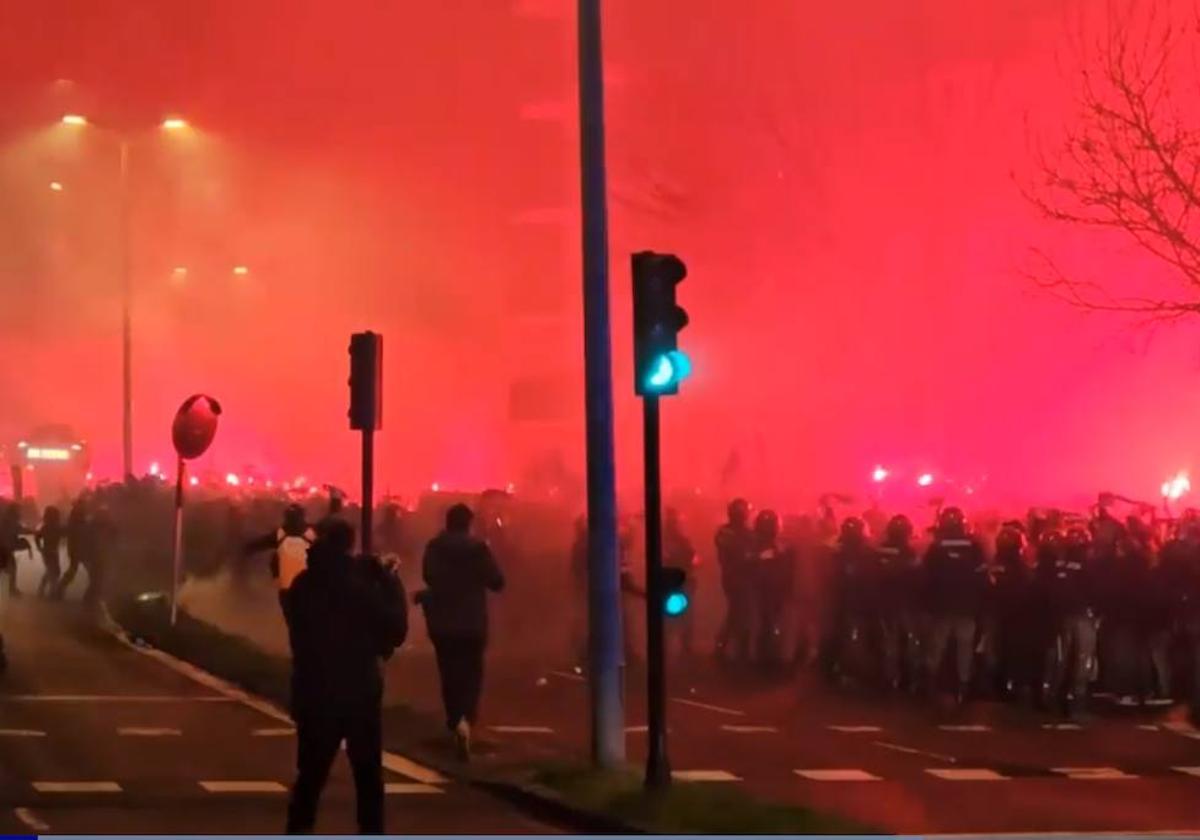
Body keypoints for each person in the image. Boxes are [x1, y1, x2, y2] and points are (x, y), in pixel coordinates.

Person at [284, 519, 408, 835]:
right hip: (360, 694)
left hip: (314, 692)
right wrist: (389, 581)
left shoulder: (303, 586)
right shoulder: (361, 587)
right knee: (368, 782)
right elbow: (395, 629)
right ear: (349, 544)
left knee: (309, 782)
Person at [418, 503, 504, 761]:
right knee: (472, 672)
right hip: (473, 623)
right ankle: (467, 718)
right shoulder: (479, 549)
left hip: (443, 623)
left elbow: (428, 576)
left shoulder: (434, 548)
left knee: (449, 673)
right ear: (469, 523)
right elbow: (497, 582)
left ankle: (455, 719)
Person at [922, 507, 987, 704]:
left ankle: (930, 684)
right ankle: (963, 685)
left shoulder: (936, 547)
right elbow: (982, 577)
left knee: (937, 647)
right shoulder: (974, 546)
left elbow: (927, 578)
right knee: (964, 649)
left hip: (942, 607)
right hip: (966, 608)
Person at [1042, 525, 1099, 718]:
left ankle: (1054, 698)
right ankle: (1076, 700)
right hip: (1083, 617)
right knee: (1083, 659)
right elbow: (1097, 590)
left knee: (1061, 659)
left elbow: (1051, 591)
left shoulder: (1059, 563)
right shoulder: (1090, 563)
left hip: (1062, 618)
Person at [245, 504, 316, 617]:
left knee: (294, 616)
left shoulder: (280, 534)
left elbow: (256, 546)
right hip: (306, 584)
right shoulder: (312, 533)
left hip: (289, 584)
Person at [877, 514, 921, 691]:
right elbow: (919, 580)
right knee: (911, 641)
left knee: (890, 642)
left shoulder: (879, 550)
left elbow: (873, 576)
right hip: (907, 605)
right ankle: (911, 678)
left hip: (886, 605)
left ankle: (890, 678)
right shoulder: (910, 553)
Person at [750, 509, 794, 673]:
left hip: (770, 592)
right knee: (768, 625)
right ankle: (766, 661)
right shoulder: (767, 547)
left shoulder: (769, 545)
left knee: (768, 625)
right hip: (767, 592)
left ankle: (766, 658)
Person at [714, 499, 754, 665]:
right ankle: (731, 648)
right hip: (735, 578)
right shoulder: (727, 533)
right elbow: (740, 554)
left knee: (738, 613)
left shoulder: (730, 532)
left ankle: (728, 647)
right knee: (738, 613)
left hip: (739, 578)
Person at [663, 507, 699, 660]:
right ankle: (682, 647)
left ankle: (684, 647)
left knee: (683, 616)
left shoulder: (680, 540)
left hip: (682, 580)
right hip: (676, 581)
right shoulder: (670, 541)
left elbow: (693, 558)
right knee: (679, 615)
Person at [36, 506, 64, 599]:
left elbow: (37, 537)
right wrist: (39, 547)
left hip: (50, 551)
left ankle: (43, 588)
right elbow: (38, 537)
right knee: (53, 571)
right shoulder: (50, 527)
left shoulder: (49, 527)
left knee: (52, 571)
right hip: (49, 551)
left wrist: (39, 547)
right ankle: (52, 592)